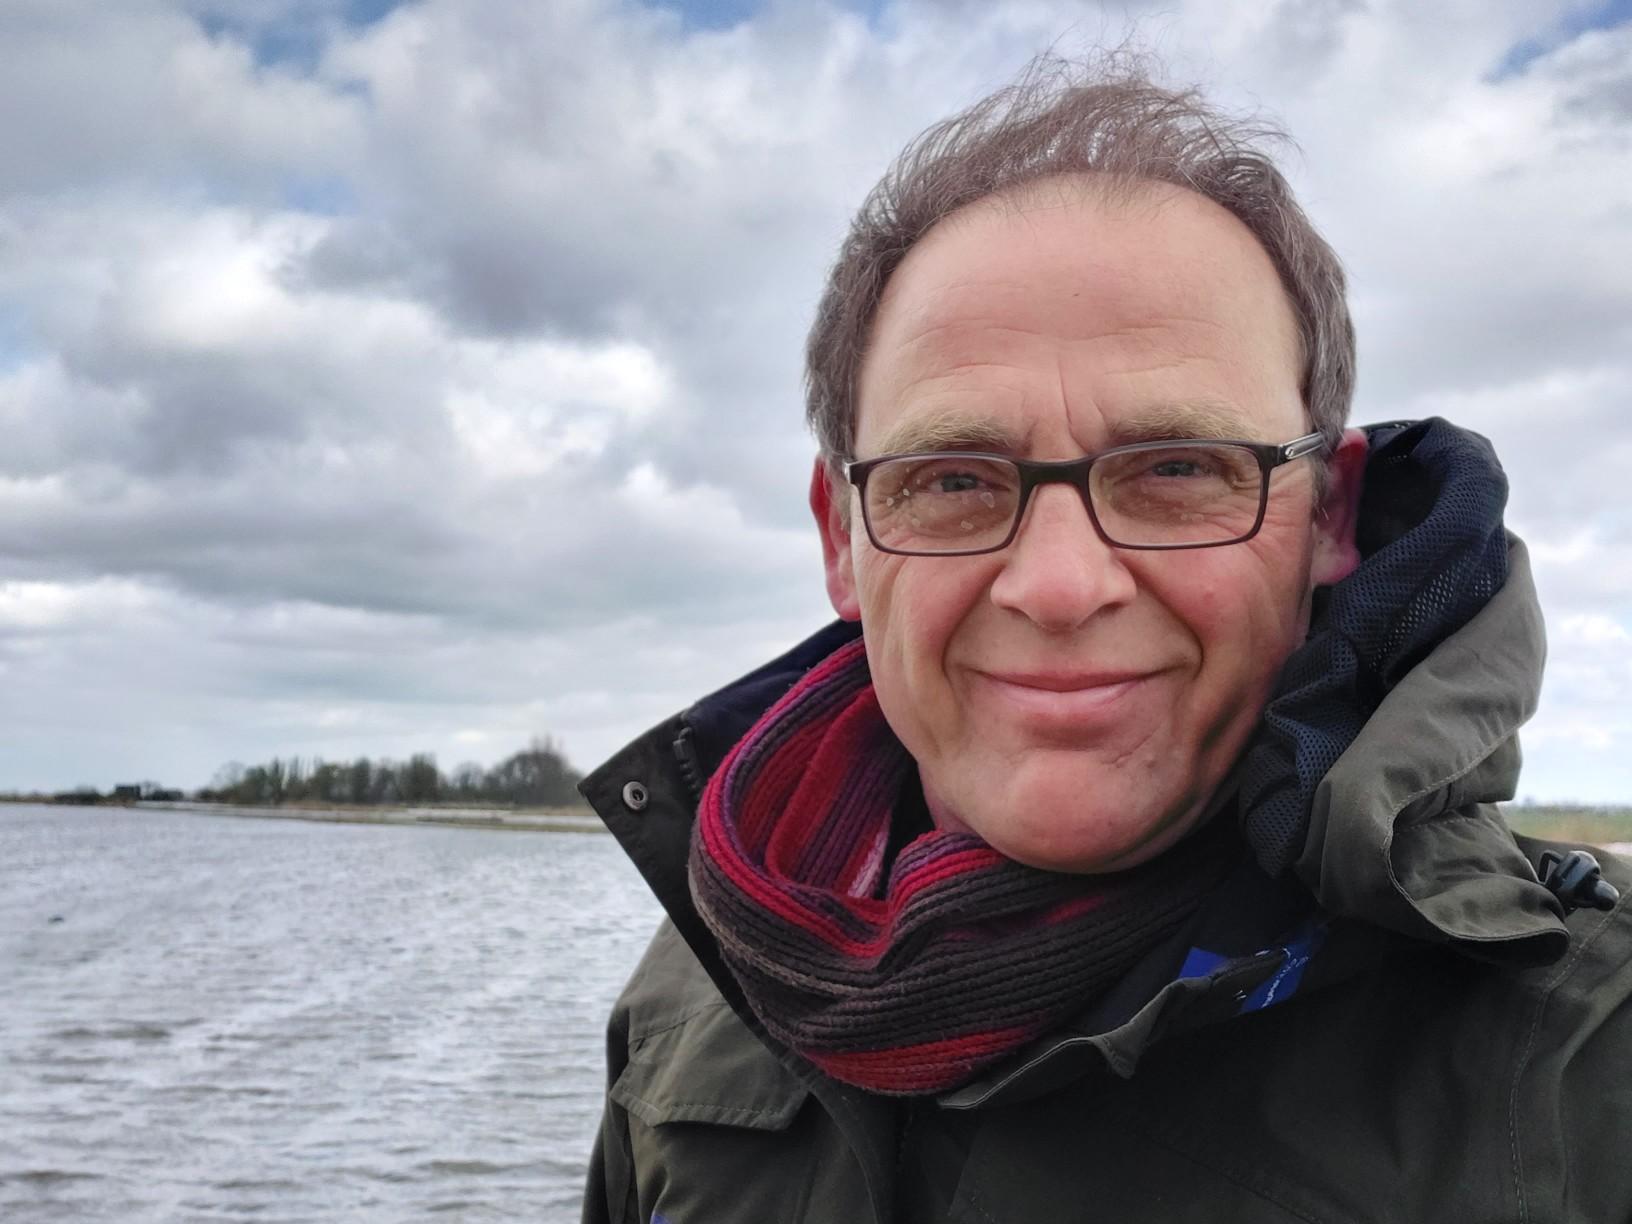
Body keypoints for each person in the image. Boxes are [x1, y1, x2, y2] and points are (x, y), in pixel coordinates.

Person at [579, 58, 1632, 1223]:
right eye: (952, 479)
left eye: (1178, 468)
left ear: (1327, 516)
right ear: (844, 540)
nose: (1061, 586)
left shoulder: (1591, 1062)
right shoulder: (698, 999)